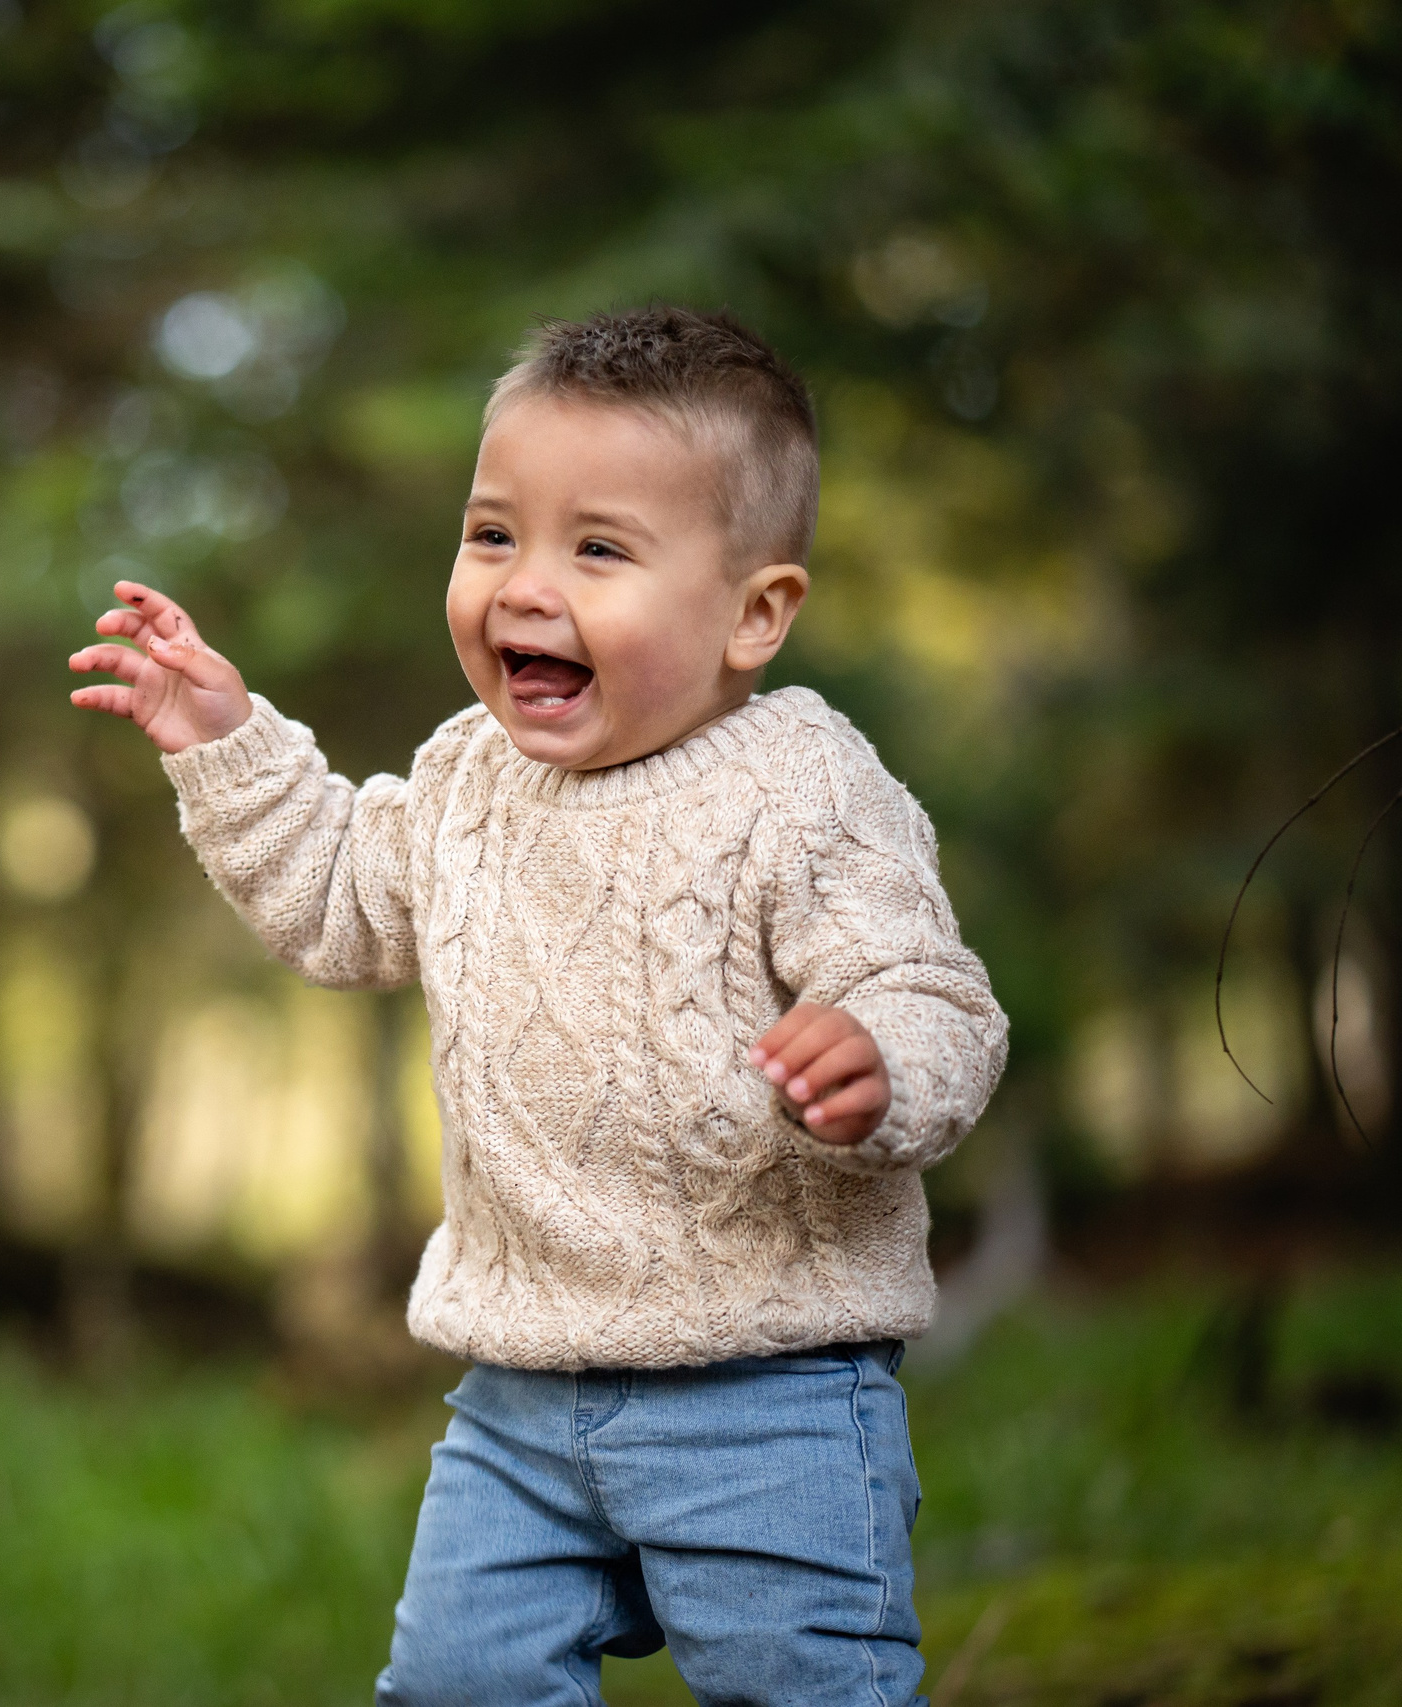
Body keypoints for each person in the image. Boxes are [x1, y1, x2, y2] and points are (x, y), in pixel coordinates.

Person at [67, 305, 1007, 1706]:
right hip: (516, 1396)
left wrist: (878, 1060)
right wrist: (228, 746)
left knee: (806, 1687)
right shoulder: (467, 778)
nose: (522, 588)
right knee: (456, 1683)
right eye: (493, 534)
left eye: (599, 550)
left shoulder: (804, 787)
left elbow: (934, 994)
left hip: (769, 1390)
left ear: (755, 612)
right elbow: (340, 899)